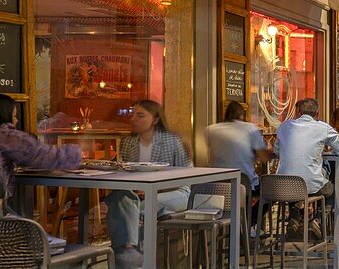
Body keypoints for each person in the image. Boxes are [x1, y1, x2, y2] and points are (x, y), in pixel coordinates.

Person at [105, 100, 192, 268]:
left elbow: (186, 176)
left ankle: (134, 258)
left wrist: (152, 188)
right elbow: (123, 171)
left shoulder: (172, 141)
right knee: (118, 199)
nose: (133, 119)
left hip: (178, 191)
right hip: (142, 192)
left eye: (140, 115)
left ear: (155, 119)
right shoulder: (129, 143)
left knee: (140, 209)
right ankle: (127, 251)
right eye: (132, 114)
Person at [0, 93, 82, 203]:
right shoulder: (5, 136)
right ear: (2, 116)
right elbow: (42, 155)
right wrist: (76, 152)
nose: (16, 120)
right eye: (14, 116)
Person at [275, 98, 339, 232]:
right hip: (309, 184)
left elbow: (276, 151)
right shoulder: (323, 127)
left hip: (281, 185)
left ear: (298, 112)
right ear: (317, 114)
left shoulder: (284, 126)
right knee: (332, 191)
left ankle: (294, 217)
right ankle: (317, 220)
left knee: (295, 182)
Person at [204, 101, 268, 194]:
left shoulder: (210, 129)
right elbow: (264, 158)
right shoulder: (250, 128)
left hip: (218, 185)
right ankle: (251, 209)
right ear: (241, 115)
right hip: (245, 185)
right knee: (271, 190)